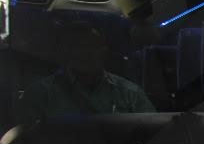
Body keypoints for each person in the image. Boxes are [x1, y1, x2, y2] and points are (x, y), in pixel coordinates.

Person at [19, 24, 153, 121]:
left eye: (93, 47)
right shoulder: (41, 93)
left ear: (104, 52)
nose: (86, 54)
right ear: (66, 52)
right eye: (79, 47)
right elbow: (24, 140)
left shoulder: (131, 94)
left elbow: (154, 134)